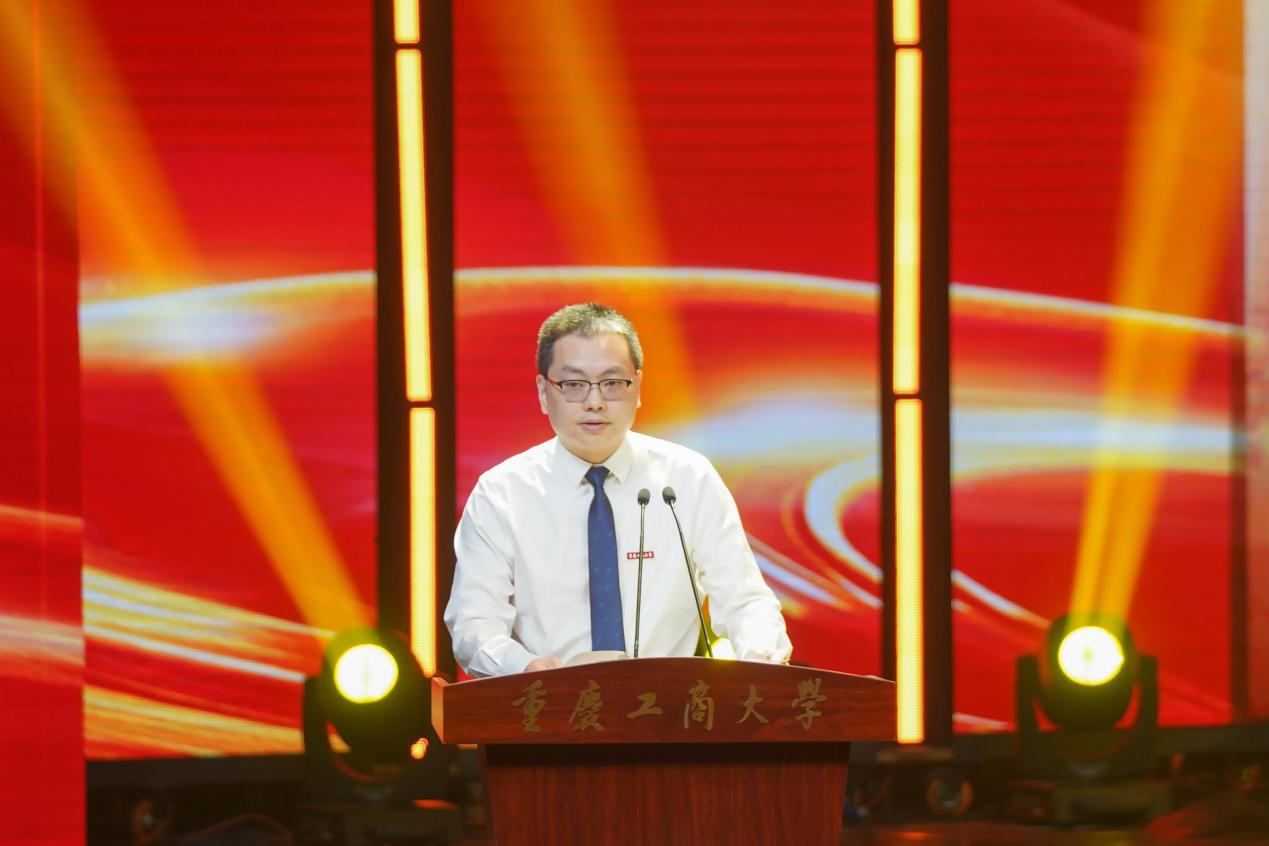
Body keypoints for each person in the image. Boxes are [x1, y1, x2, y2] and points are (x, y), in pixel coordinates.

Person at [445, 302, 792, 677]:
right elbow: (475, 624)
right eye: (574, 385)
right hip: (544, 702)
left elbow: (744, 601)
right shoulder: (501, 494)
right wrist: (529, 670)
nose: (594, 402)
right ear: (544, 391)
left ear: (637, 387)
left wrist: (762, 664)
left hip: (668, 706)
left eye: (612, 383)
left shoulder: (688, 479)